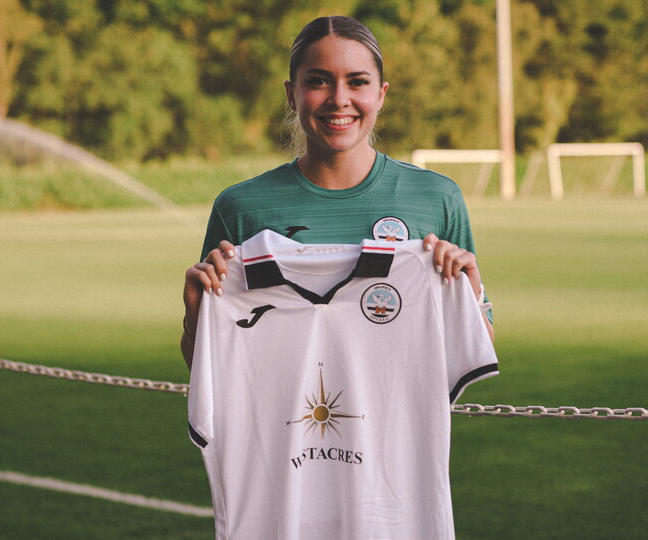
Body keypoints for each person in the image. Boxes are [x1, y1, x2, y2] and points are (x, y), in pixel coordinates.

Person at [181, 15, 493, 369]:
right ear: (291, 95)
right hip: (280, 423)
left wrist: (471, 290)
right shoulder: (240, 208)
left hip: (395, 423)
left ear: (380, 94)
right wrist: (196, 313)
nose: (339, 99)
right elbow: (211, 370)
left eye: (357, 82)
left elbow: (477, 351)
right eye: (318, 81)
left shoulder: (436, 198)